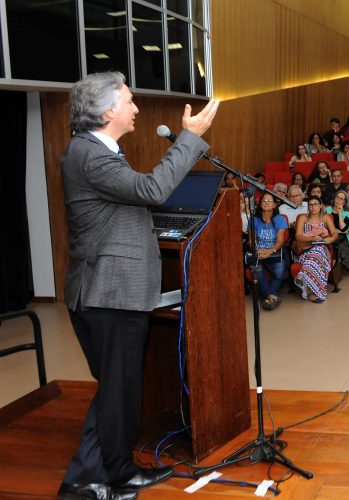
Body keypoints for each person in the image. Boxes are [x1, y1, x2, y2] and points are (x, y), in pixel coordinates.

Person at [59, 72, 217, 500]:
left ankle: (103, 475)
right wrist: (189, 138)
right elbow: (153, 188)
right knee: (117, 389)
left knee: (117, 388)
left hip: (109, 290)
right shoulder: (90, 155)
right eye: (129, 101)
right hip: (109, 292)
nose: (136, 108)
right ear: (108, 111)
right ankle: (91, 481)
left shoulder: (98, 150)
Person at [292, 197, 338, 303]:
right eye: (311, 205)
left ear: (321, 205)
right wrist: (312, 238)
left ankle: (303, 278)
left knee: (318, 249)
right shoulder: (303, 218)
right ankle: (313, 292)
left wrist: (329, 239)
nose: (313, 207)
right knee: (315, 252)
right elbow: (298, 236)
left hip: (322, 250)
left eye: (316, 204)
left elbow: (335, 234)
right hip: (305, 251)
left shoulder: (326, 217)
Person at [326, 189, 349, 275]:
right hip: (328, 235)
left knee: (340, 240)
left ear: (345, 202)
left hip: (342, 237)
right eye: (337, 197)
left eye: (341, 199)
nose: (338, 200)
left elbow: (344, 229)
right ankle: (331, 264)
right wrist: (335, 231)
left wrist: (339, 213)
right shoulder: (326, 210)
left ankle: (335, 264)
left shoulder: (347, 214)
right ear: (334, 198)